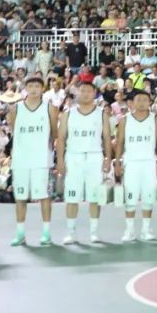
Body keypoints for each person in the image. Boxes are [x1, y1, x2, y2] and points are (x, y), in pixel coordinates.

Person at [56, 83, 112, 244]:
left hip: (95, 157)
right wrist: (60, 160)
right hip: (74, 157)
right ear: (77, 93)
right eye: (83, 91)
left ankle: (94, 232)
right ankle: (71, 232)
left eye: (89, 91)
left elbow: (107, 138)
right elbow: (61, 139)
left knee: (94, 197)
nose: (86, 93)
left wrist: (108, 158)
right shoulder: (68, 114)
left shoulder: (101, 114)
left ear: (94, 93)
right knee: (72, 196)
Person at [8, 77, 59, 246]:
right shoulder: (15, 108)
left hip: (41, 160)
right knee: (20, 197)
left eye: (37, 86)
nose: (34, 89)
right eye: (30, 86)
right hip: (21, 160)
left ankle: (46, 233)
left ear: (42, 88)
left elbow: (54, 132)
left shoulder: (49, 107)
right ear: (25, 88)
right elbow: (13, 130)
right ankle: (20, 234)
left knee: (44, 197)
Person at [114, 90, 157, 242]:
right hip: (131, 163)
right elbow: (120, 142)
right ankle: (129, 230)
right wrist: (117, 163)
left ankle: (146, 229)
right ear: (132, 102)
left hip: (149, 162)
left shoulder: (154, 119)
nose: (142, 102)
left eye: (145, 100)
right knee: (130, 197)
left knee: (148, 196)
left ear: (150, 102)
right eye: (139, 99)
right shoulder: (125, 120)